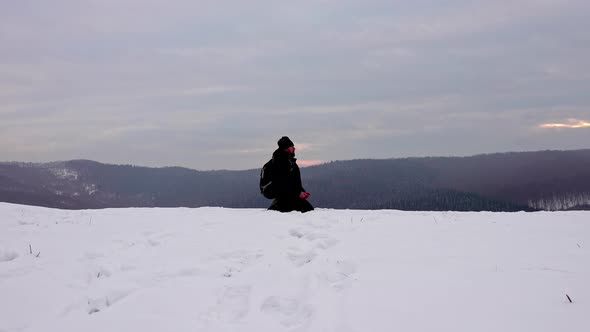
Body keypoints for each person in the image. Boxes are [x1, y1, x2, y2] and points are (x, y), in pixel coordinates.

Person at [267, 136, 314, 213]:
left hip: (289, 197)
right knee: (307, 211)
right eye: (292, 147)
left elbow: (293, 181)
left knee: (308, 211)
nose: (294, 148)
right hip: (286, 198)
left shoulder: (288, 161)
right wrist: (298, 194)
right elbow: (283, 183)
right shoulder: (282, 162)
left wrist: (301, 192)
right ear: (287, 148)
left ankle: (275, 208)